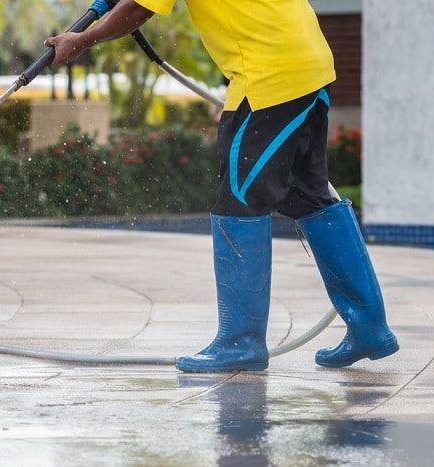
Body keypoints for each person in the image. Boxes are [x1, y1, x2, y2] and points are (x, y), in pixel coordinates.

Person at [45, 0, 399, 372]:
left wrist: (81, 40)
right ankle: (369, 326)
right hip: (308, 66)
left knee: (239, 202)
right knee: (311, 197)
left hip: (268, 81)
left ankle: (240, 342)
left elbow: (137, 10)